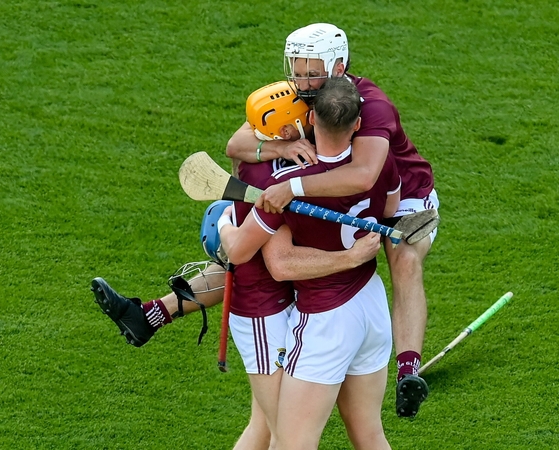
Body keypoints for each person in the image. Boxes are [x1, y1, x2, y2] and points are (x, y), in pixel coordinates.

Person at [91, 81, 381, 450]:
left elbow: (238, 145)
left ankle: (151, 315)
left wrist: (229, 216)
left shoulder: (261, 160)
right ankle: (150, 315)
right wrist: (227, 226)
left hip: (280, 299)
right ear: (289, 128)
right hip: (263, 310)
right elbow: (249, 253)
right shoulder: (276, 179)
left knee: (263, 428)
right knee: (283, 437)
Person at [225, 23, 438, 418]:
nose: (302, 82)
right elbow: (236, 144)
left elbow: (365, 175)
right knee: (258, 260)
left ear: (338, 67)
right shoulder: (294, 95)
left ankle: (408, 371)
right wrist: (282, 147)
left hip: (401, 193)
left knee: (404, 258)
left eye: (311, 72)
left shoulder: (370, 107)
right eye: (297, 70)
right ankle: (160, 310)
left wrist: (292, 187)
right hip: (338, 191)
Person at [219, 77, 397, 450]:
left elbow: (261, 259)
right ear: (358, 124)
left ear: (312, 118)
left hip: (326, 318)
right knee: (370, 434)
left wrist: (223, 222)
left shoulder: (285, 183)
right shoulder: (378, 163)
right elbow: (392, 207)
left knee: (292, 444)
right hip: (372, 305)